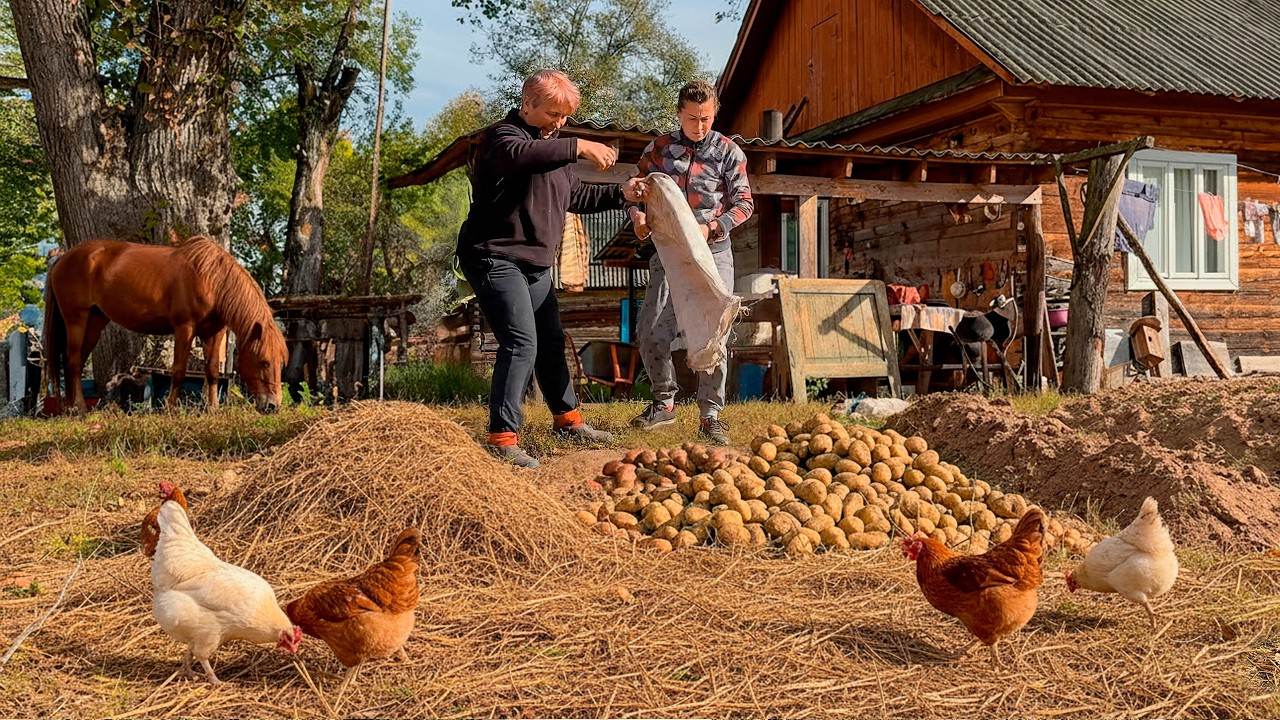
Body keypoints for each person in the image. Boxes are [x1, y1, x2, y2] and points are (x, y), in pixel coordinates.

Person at [457, 68, 647, 468]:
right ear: (528, 104)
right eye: (553, 115)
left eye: (566, 118)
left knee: (550, 339)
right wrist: (579, 145)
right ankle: (502, 437)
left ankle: (568, 420)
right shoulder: (502, 140)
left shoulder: (554, 146)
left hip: (535, 264)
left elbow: (574, 194)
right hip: (494, 256)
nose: (559, 124)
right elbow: (524, 158)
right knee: (521, 342)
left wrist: (621, 193)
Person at [627, 80, 754, 445]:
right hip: (668, 250)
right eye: (692, 118)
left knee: (713, 330)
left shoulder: (729, 152)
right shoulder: (660, 149)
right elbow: (637, 190)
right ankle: (664, 403)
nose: (700, 125)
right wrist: (637, 214)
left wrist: (712, 227)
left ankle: (710, 416)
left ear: (715, 113)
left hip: (713, 251)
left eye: (706, 118)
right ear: (678, 113)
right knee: (650, 329)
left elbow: (744, 203)